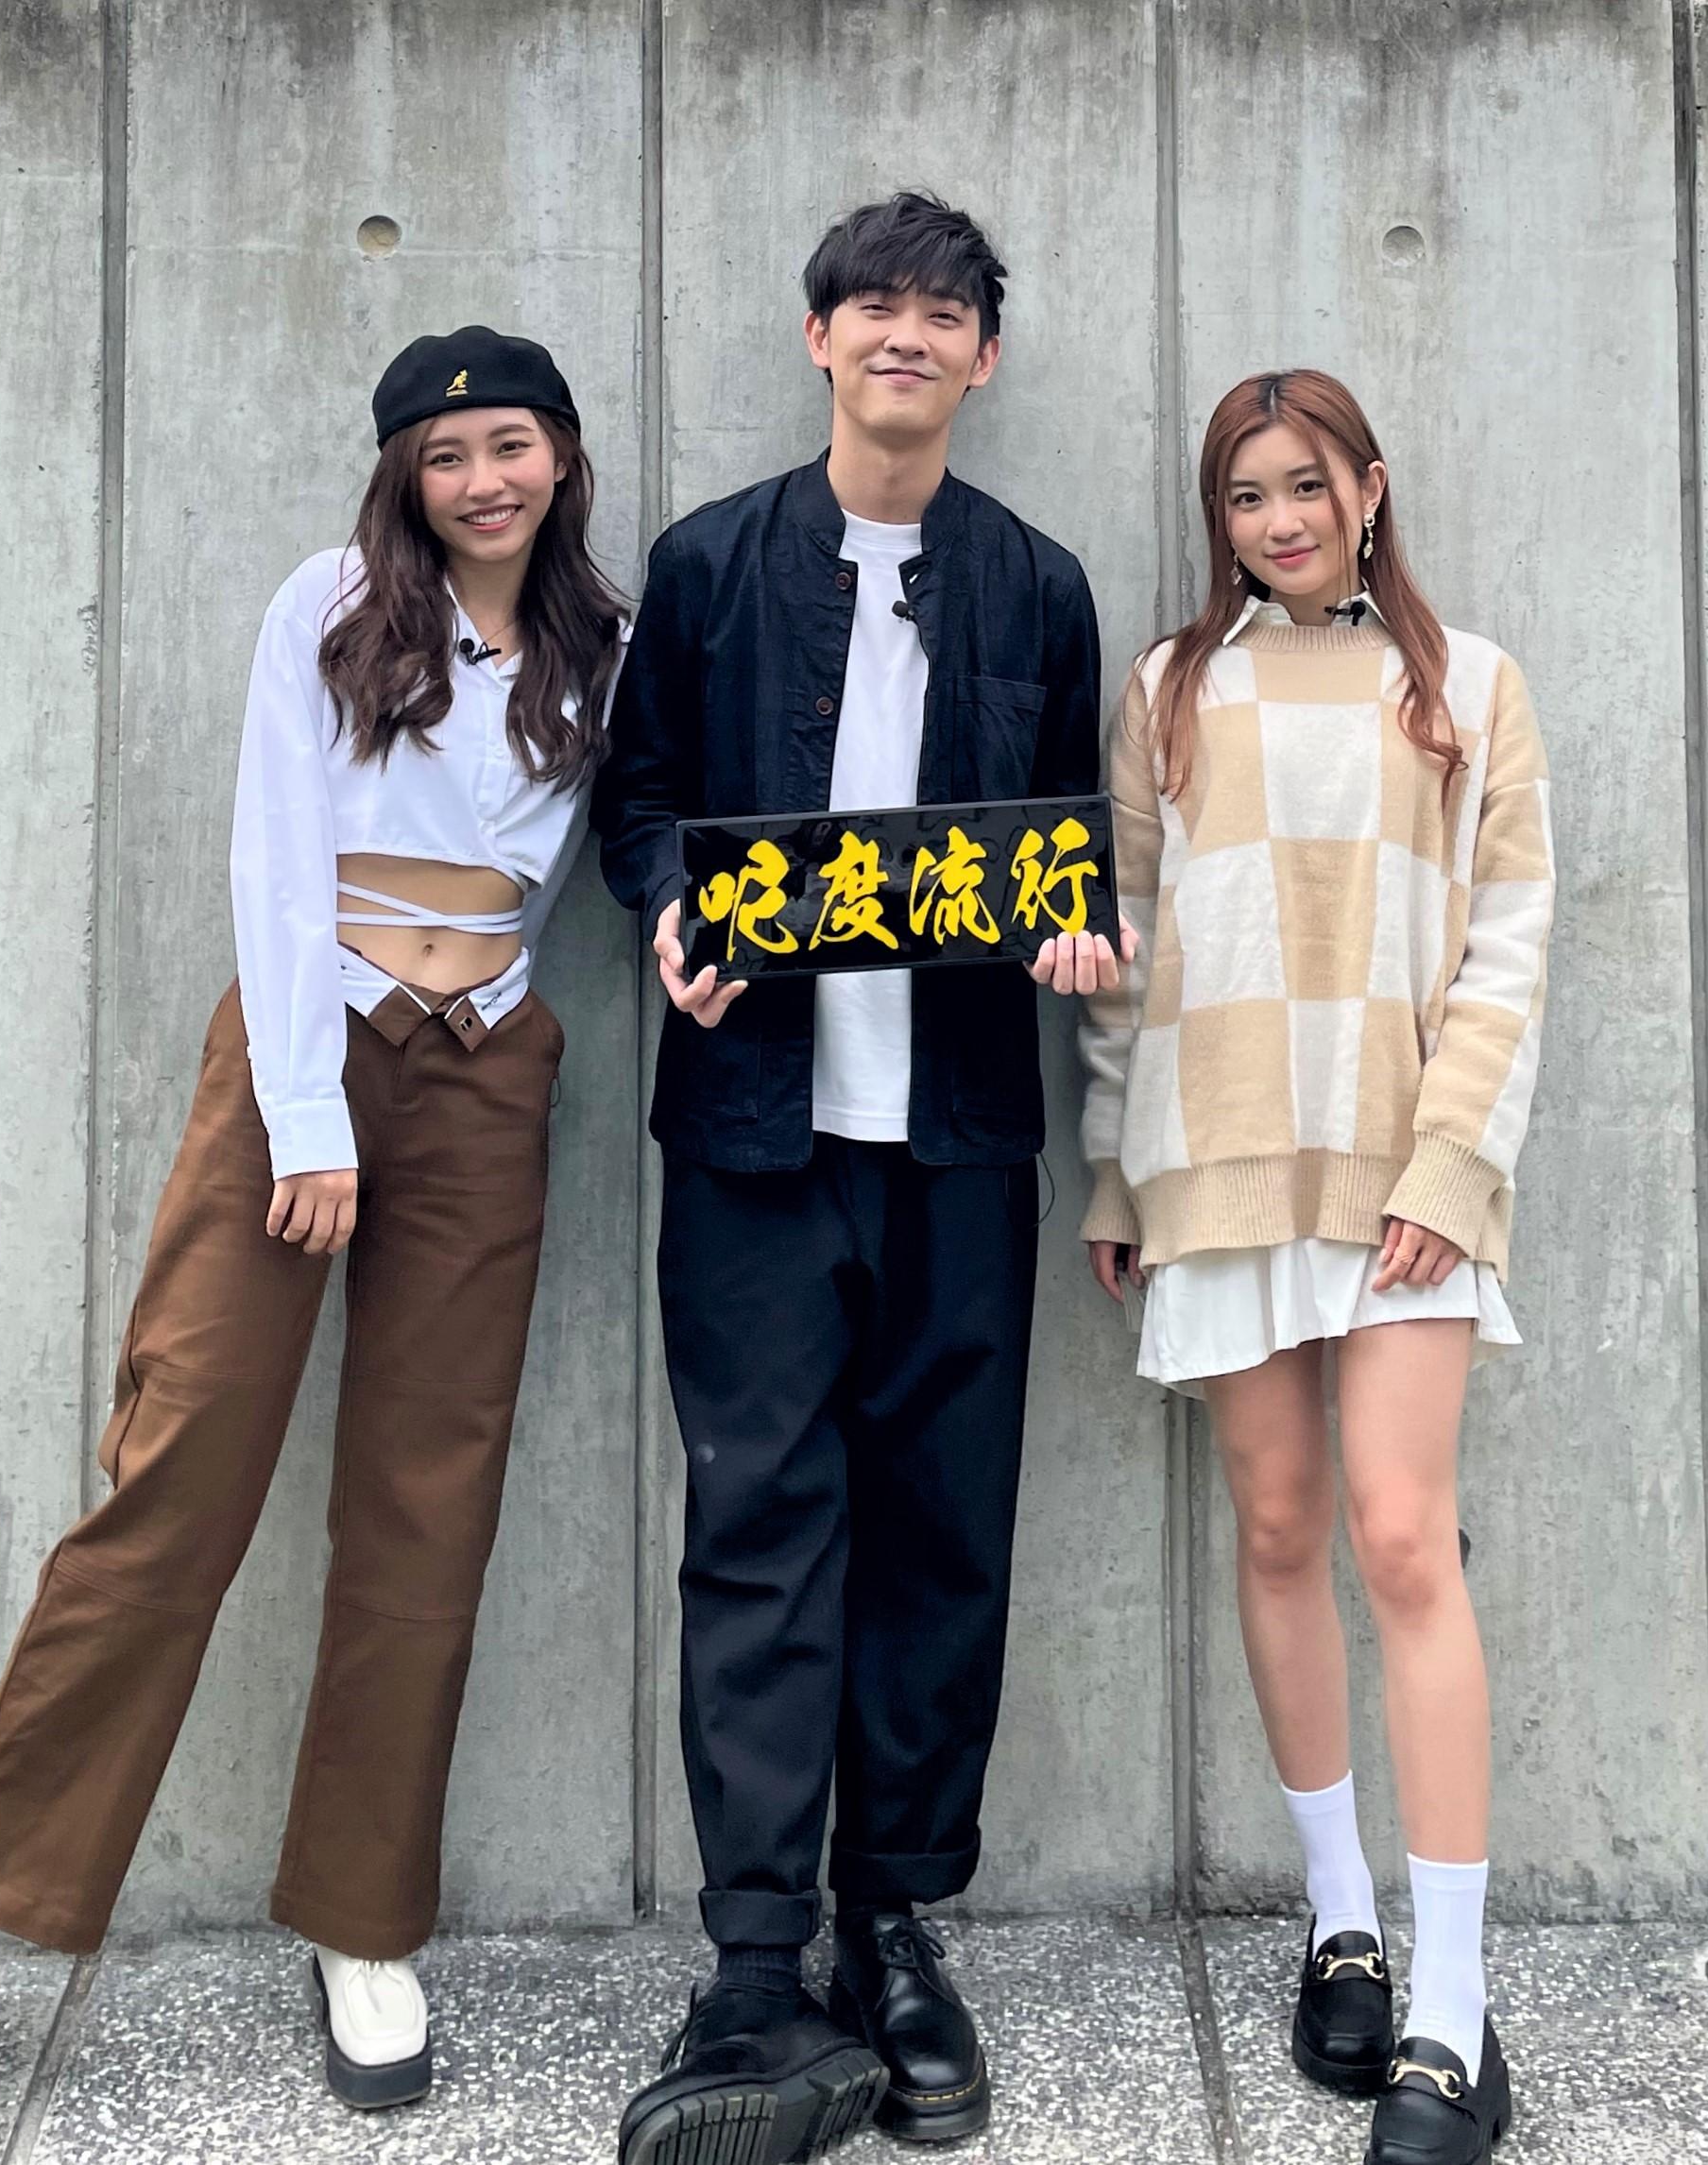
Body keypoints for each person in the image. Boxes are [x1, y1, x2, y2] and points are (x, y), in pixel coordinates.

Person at [0, 328, 624, 2156]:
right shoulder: (332, 605)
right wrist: (308, 1112)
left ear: (563, 458)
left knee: (430, 1503)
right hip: (309, 1045)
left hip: (488, 1065)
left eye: (513, 446)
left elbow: (592, 857)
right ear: (405, 475)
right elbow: (277, 854)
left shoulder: (604, 640)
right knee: (177, 1475)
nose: (484, 482)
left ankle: (362, 1919)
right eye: (448, 456)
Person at [594, 191, 1123, 2165]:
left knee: (940, 1531)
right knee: (758, 1529)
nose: (906, 334)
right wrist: (669, 909)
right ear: (818, 337)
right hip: (754, 1133)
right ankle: (753, 1963)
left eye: (943, 312)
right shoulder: (710, 564)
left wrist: (1080, 937)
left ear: (984, 356)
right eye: (872, 305)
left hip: (961, 1138)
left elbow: (1070, 834)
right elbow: (642, 801)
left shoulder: (1038, 585)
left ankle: (892, 1925)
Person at [1079, 368, 1553, 2165]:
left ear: (1369, 487)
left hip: (1402, 1172)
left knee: (1400, 1538)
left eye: (1303, 486)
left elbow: (1507, 942)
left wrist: (1452, 1158)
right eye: (1243, 497)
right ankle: (1339, 1924)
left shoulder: (1472, 685)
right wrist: (1111, 1171)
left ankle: (1452, 2012)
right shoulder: (1166, 687)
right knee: (1275, 1530)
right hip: (1211, 1159)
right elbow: (1121, 943)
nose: (1277, 522)